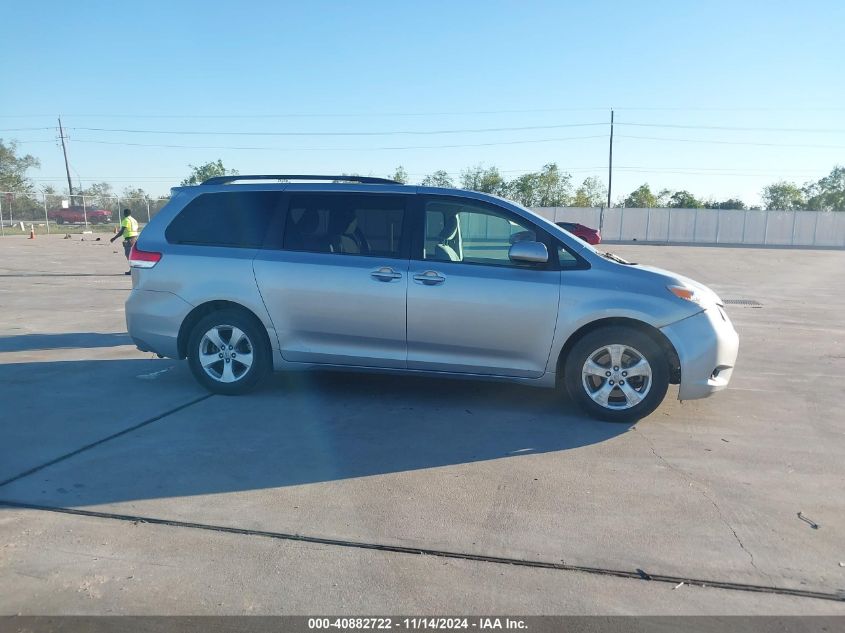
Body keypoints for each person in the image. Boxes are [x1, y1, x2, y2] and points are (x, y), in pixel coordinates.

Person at [110, 208, 140, 275]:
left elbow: (121, 232)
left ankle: (133, 270)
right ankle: (134, 269)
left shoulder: (126, 220)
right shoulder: (134, 220)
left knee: (128, 255)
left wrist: (114, 238)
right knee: (133, 255)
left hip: (129, 239)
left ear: (125, 213)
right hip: (135, 238)